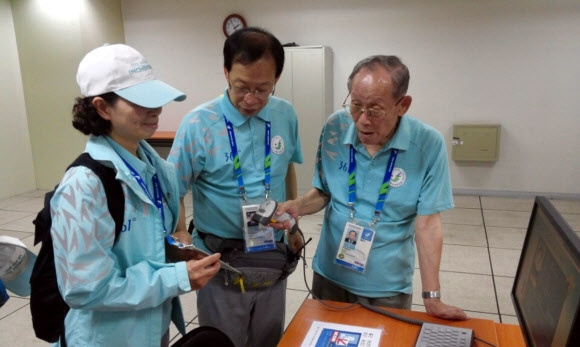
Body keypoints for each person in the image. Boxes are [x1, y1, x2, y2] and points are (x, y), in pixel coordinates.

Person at [50, 43, 221, 347]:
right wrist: (177, 278)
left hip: (153, 325)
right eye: (140, 102)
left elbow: (139, 245)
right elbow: (85, 289)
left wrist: (172, 252)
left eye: (156, 98)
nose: (155, 110)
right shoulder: (84, 187)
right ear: (103, 108)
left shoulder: (156, 168)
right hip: (108, 338)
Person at [274, 55, 468, 320]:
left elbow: (428, 225)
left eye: (375, 109)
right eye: (355, 105)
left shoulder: (428, 145)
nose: (362, 119)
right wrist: (297, 206)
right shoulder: (335, 127)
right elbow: (323, 192)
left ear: (403, 105)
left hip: (386, 285)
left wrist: (432, 298)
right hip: (330, 274)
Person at [167, 27, 304, 347]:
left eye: (263, 88)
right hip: (221, 257)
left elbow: (288, 169)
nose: (252, 99)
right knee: (224, 340)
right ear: (226, 72)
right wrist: (180, 232)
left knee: (268, 337)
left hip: (271, 251)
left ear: (276, 79)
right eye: (242, 87)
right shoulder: (199, 123)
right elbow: (175, 187)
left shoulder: (284, 113)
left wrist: (294, 223)